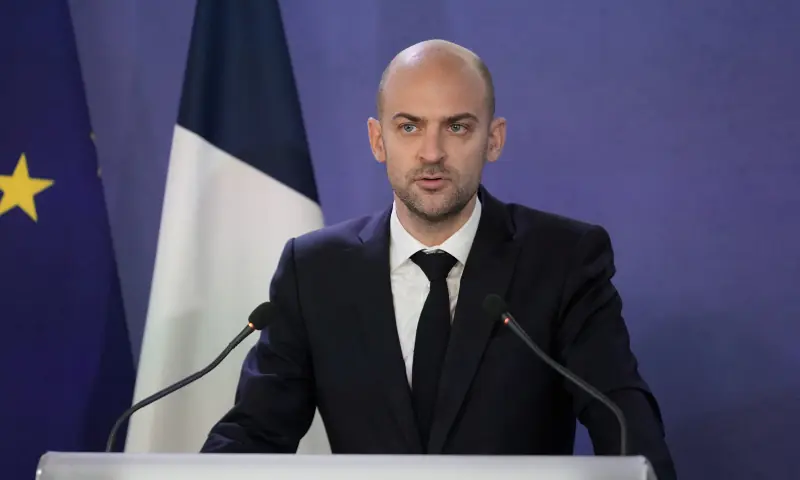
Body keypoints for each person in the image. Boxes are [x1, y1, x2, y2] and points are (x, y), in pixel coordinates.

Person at [201, 39, 677, 480]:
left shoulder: (562, 260)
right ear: (378, 140)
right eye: (409, 127)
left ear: (494, 139)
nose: (432, 153)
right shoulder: (316, 271)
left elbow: (622, 418)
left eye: (457, 127)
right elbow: (256, 432)